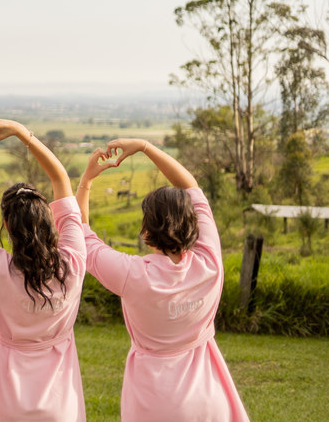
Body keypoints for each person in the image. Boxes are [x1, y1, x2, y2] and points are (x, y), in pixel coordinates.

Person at [76, 139, 250, 422]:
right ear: (194, 225)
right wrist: (145, 147)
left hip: (154, 403)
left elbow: (81, 234)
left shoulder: (132, 274)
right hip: (210, 398)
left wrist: (87, 181)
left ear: (146, 234)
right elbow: (191, 187)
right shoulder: (209, 261)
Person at [0, 118, 87, 422]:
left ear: (7, 225)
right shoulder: (73, 263)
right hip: (59, 397)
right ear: (48, 218)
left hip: (5, 391)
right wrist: (24, 135)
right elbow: (62, 182)